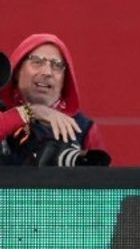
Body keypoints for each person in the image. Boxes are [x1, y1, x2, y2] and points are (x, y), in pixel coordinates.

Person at [0, 33, 109, 166]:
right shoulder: (3, 113)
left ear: (65, 79)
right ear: (17, 70)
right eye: (37, 62)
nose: (47, 72)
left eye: (57, 65)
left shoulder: (82, 127)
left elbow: (103, 177)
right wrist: (30, 112)